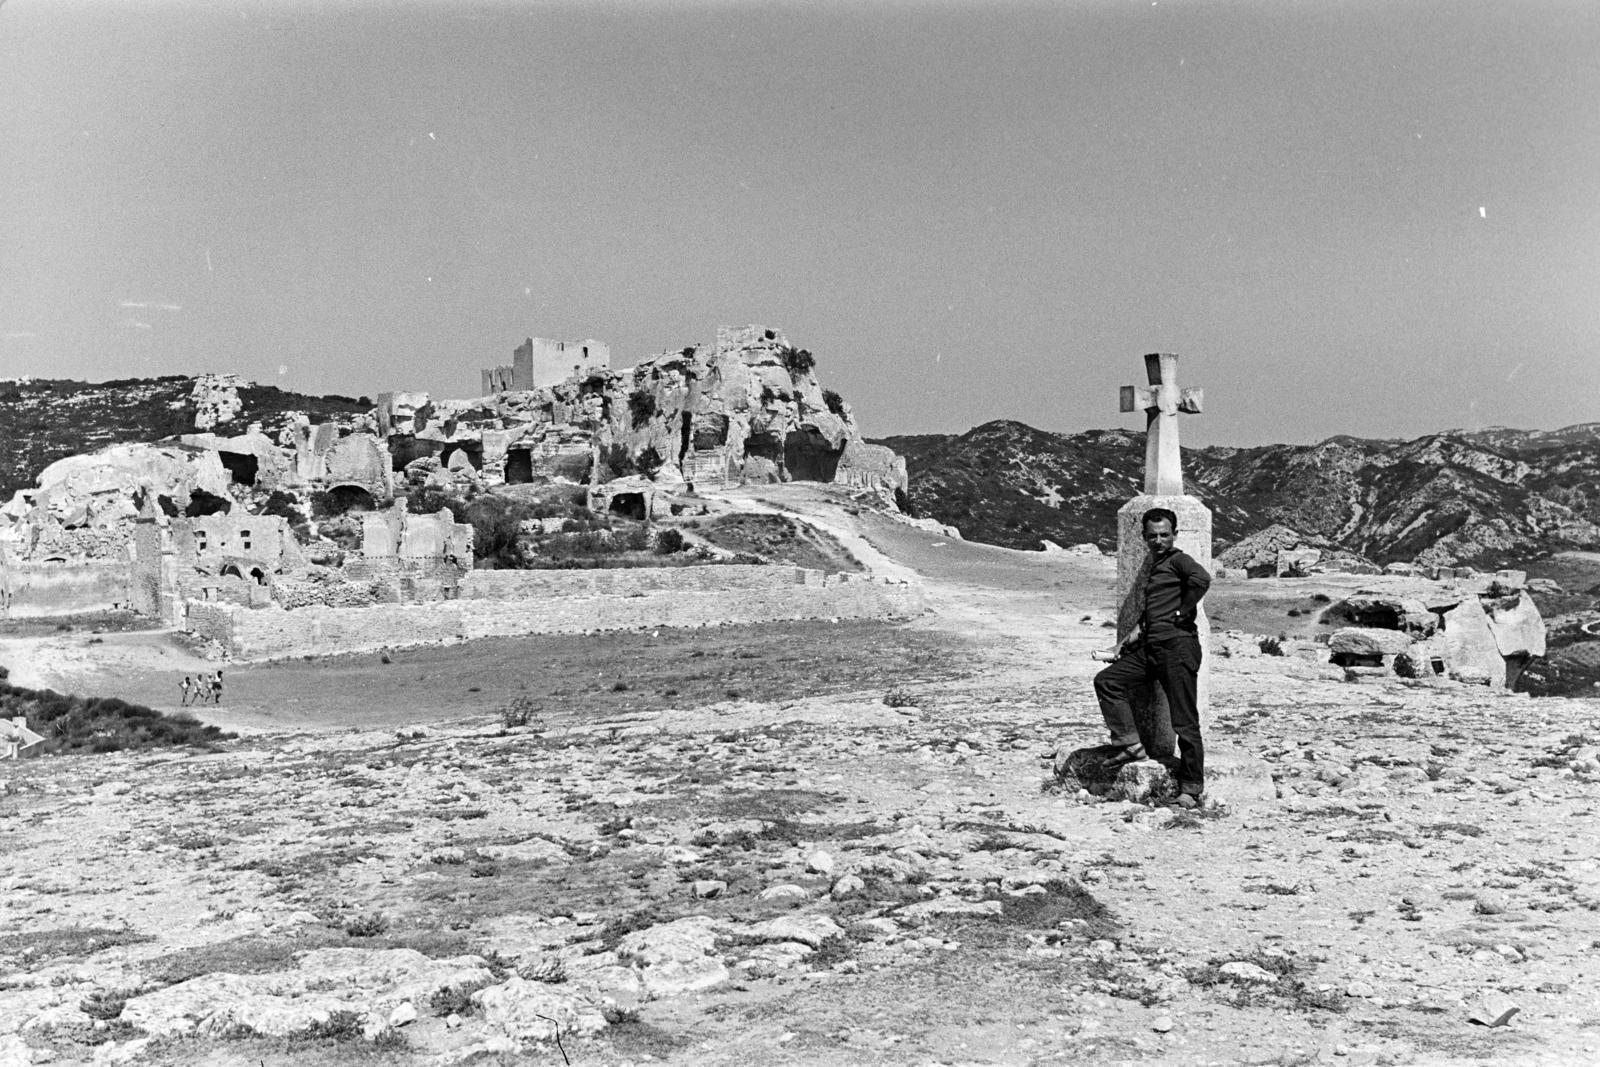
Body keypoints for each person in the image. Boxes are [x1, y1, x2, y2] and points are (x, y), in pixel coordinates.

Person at [1092, 507, 1212, 807]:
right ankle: (1130, 744)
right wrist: (1121, 646)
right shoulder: (1156, 566)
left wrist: (1183, 611)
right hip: (1150, 649)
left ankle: (1190, 788)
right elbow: (1147, 619)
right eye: (1152, 536)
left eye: (1164, 535)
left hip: (1177, 648)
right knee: (1108, 681)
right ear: (1144, 537)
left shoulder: (1179, 560)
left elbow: (1202, 579)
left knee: (1184, 722)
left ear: (1174, 535)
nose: (1158, 540)